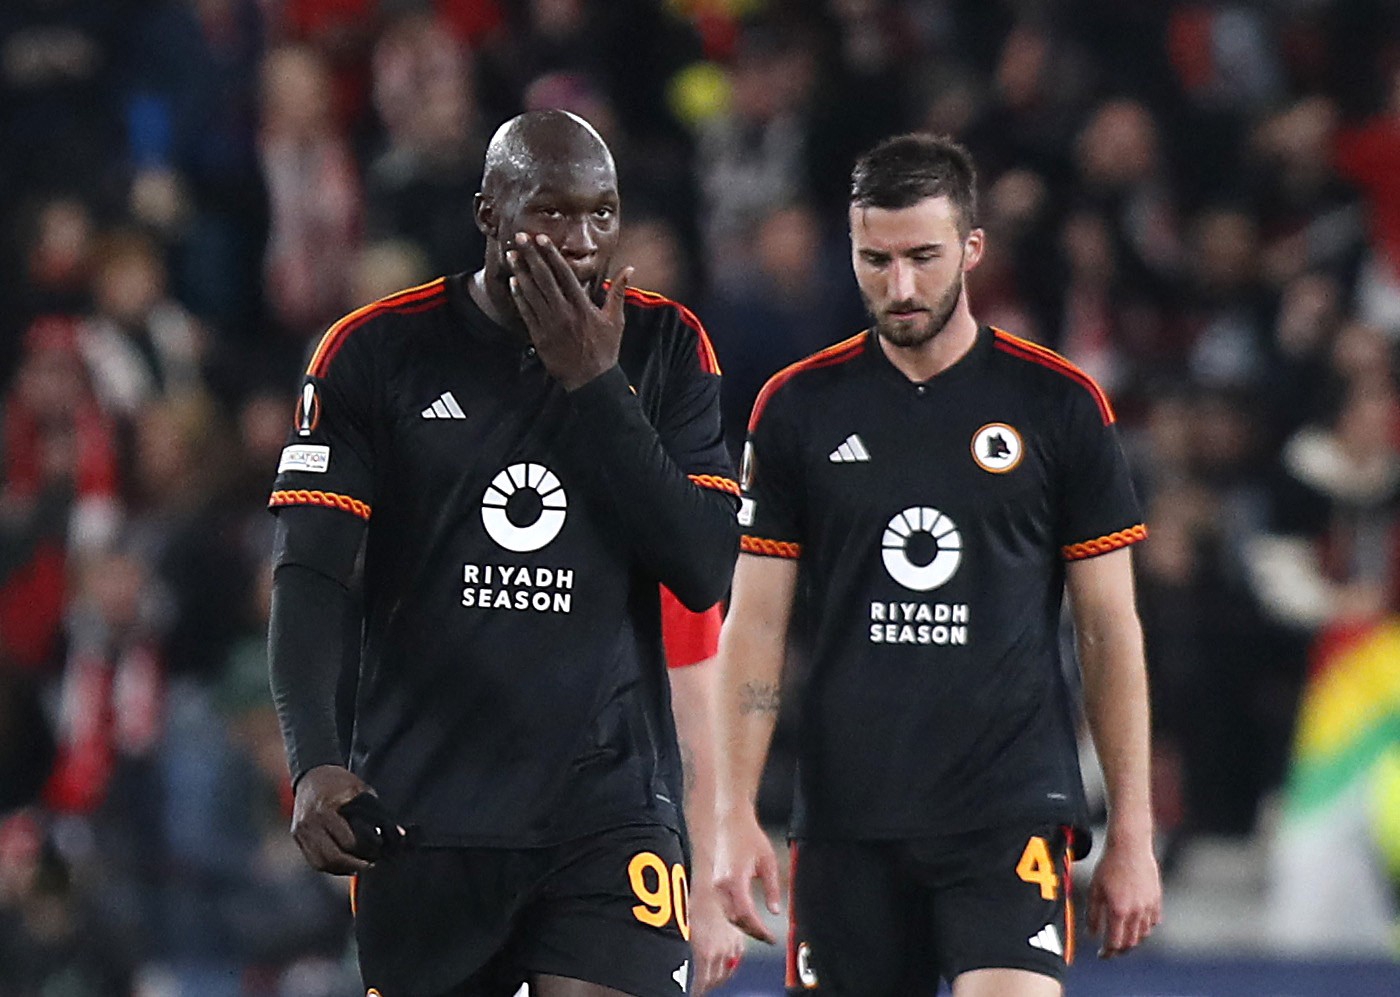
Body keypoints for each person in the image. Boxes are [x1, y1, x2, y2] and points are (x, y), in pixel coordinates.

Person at [266, 109, 740, 997]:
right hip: (426, 811)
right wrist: (314, 759)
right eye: (552, 212)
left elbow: (703, 567)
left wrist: (595, 383)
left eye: (602, 213)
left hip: (609, 808)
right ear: (489, 212)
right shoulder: (373, 351)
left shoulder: (668, 347)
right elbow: (310, 576)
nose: (582, 240)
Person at [712, 133, 1161, 996]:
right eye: (875, 259)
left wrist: (1132, 834)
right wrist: (731, 814)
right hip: (849, 815)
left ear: (972, 247)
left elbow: (1109, 630)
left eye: (923, 257)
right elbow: (756, 624)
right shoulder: (797, 408)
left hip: (1008, 807)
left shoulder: (1059, 405)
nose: (901, 286)